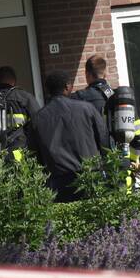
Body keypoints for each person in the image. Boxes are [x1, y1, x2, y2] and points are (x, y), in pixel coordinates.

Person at [27, 70, 108, 202]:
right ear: (67, 87)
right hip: (90, 178)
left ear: (47, 90)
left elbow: (33, 155)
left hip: (58, 185)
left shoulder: (37, 119)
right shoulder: (87, 109)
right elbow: (104, 141)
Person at [72, 54, 140, 163]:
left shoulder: (78, 99)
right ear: (105, 74)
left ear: (87, 75)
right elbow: (139, 136)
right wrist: (131, 161)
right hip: (119, 170)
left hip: (94, 169)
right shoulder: (121, 99)